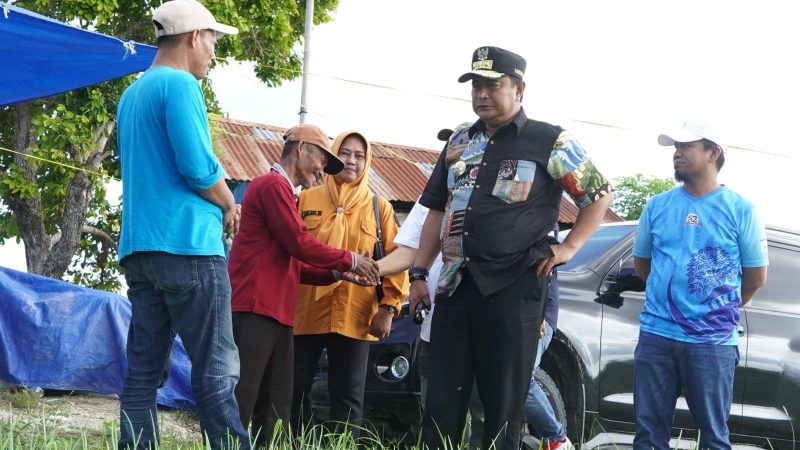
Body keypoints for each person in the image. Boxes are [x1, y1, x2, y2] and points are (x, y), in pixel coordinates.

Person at [408, 46, 613, 450]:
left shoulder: (551, 140)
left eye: (492, 84)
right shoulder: (459, 142)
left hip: (515, 289)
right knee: (441, 404)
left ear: (519, 88)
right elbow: (434, 210)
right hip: (455, 285)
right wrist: (418, 274)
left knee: (503, 408)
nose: (481, 93)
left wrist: (568, 247)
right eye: (476, 85)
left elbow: (599, 194)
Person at [115, 1, 247, 448]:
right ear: (194, 37)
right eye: (212, 41)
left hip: (140, 249)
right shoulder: (182, 85)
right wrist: (229, 202)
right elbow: (196, 166)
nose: (213, 53)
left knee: (141, 377)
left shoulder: (132, 94)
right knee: (215, 371)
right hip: (188, 246)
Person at [227, 124, 379, 447]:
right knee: (245, 397)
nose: (323, 171)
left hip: (280, 313)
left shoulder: (286, 195)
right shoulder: (271, 186)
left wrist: (338, 274)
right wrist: (350, 260)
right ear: (300, 149)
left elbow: (296, 263)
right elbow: (299, 243)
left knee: (277, 405)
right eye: (322, 160)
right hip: (256, 307)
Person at [632, 121, 769, 450]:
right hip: (657, 335)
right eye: (675, 147)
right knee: (649, 436)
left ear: (713, 153)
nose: (677, 153)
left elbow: (755, 278)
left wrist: (714, 312)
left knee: (713, 438)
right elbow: (642, 264)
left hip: (712, 342)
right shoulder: (658, 205)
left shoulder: (741, 209)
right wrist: (670, 304)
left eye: (686, 146)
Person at [290, 130, 409, 437]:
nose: (351, 161)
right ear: (330, 157)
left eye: (359, 156)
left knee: (348, 395)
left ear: (367, 161)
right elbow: (289, 251)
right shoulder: (305, 198)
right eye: (344, 153)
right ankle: (293, 443)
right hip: (305, 311)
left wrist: (388, 308)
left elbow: (397, 258)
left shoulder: (377, 207)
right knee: (293, 386)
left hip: (356, 314)